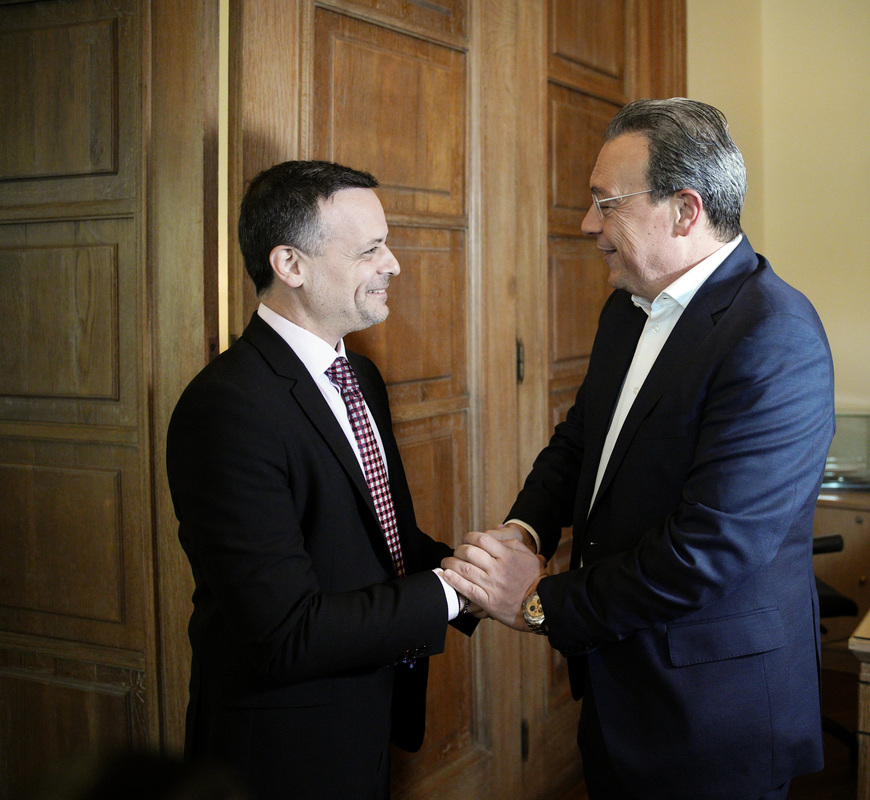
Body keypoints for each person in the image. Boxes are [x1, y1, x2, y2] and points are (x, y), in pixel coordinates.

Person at [442, 98, 835, 800]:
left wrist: (537, 602)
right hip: (618, 682)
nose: (588, 224)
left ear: (684, 211)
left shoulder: (775, 335)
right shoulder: (626, 309)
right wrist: (523, 530)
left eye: (606, 203)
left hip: (713, 713)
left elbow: (709, 548)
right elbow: (580, 441)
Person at [166, 160, 476, 800]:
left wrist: (479, 570)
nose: (393, 265)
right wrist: (454, 594)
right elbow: (285, 631)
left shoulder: (360, 377)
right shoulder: (226, 407)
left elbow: (379, 539)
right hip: (282, 750)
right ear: (291, 265)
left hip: (365, 717)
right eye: (369, 250)